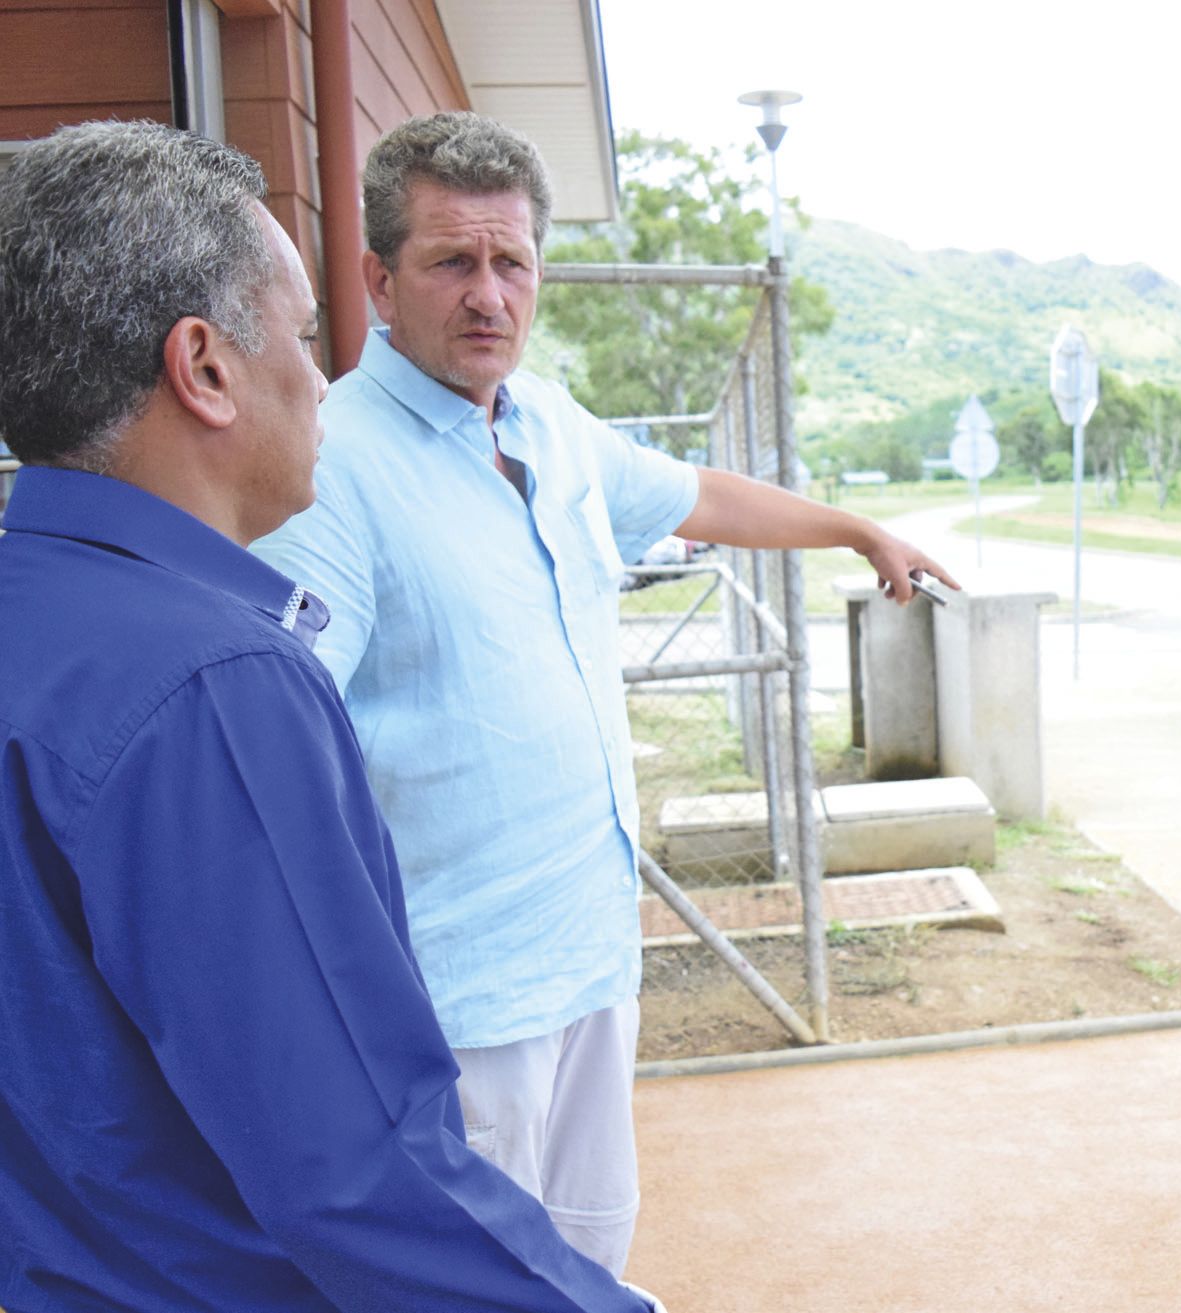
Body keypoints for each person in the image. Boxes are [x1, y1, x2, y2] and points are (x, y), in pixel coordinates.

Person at [252, 111, 957, 1276]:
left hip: (590, 952)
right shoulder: (333, 467)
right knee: (470, 1283)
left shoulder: (551, 426)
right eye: (451, 262)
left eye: (512, 262)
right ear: (379, 279)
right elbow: (277, 739)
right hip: (455, 1003)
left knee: (586, 1256)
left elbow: (701, 497)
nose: (490, 294)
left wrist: (852, 526)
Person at [0, 122, 660, 1309]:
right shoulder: (216, 686)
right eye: (302, 335)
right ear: (204, 367)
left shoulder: (33, 615)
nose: (320, 377)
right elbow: (352, 1166)